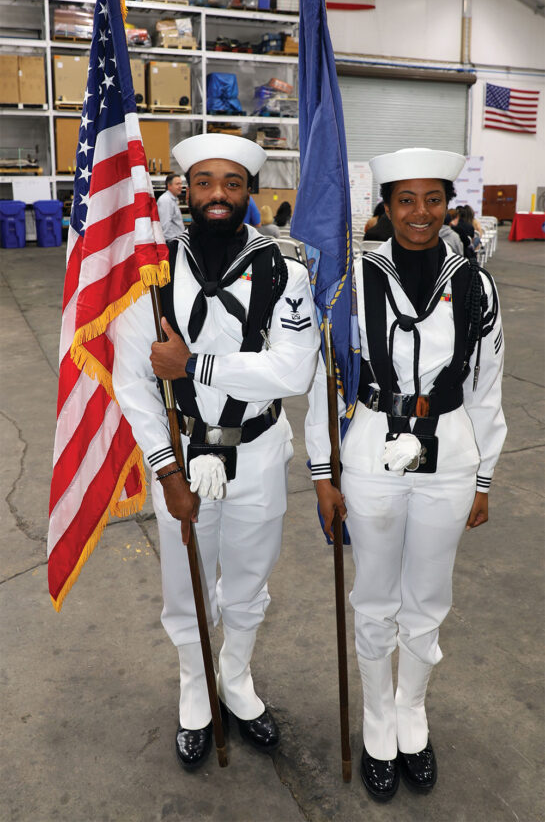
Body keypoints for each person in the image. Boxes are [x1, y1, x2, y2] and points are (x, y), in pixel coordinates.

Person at [111, 133, 319, 771]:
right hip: (181, 453)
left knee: (249, 587)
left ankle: (236, 681)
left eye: (232, 184)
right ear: (186, 190)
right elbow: (134, 381)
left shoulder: (286, 269)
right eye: (205, 183)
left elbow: (293, 374)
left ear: (249, 193)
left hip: (258, 452)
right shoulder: (153, 272)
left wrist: (193, 363)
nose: (218, 195)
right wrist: (166, 470)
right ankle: (195, 694)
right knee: (186, 589)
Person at [305, 147, 506, 802]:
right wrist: (321, 473)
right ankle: (375, 724)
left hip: (447, 455)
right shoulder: (350, 281)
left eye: (432, 199)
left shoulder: (474, 282)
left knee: (426, 601)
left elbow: (485, 389)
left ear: (447, 203)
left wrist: (482, 478)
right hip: (370, 455)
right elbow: (321, 378)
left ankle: (410, 714)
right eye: (405, 200)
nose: (420, 213)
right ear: (385, 207)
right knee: (373, 600)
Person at [157, 172, 186, 240]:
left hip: (176, 240)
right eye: (177, 184)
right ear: (169, 186)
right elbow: (165, 225)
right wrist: (170, 243)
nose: (180, 186)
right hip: (171, 241)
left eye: (181, 184)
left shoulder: (172, 199)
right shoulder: (166, 200)